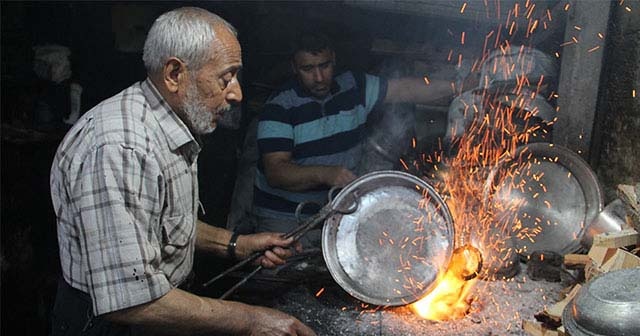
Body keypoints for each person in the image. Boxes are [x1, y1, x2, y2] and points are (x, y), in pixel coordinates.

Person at [49, 7, 315, 336]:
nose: (237, 93)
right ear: (175, 73)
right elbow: (129, 300)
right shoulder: (121, 149)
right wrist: (252, 319)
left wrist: (237, 244)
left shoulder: (168, 127)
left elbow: (160, 224)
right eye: (226, 77)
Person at [253, 31, 476, 247]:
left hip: (334, 215)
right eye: (308, 69)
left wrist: (462, 87)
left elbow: (407, 89)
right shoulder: (280, 107)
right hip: (283, 219)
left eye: (324, 66)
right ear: (294, 68)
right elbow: (276, 172)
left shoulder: (354, 86)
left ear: (334, 59)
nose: (319, 77)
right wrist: (326, 173)